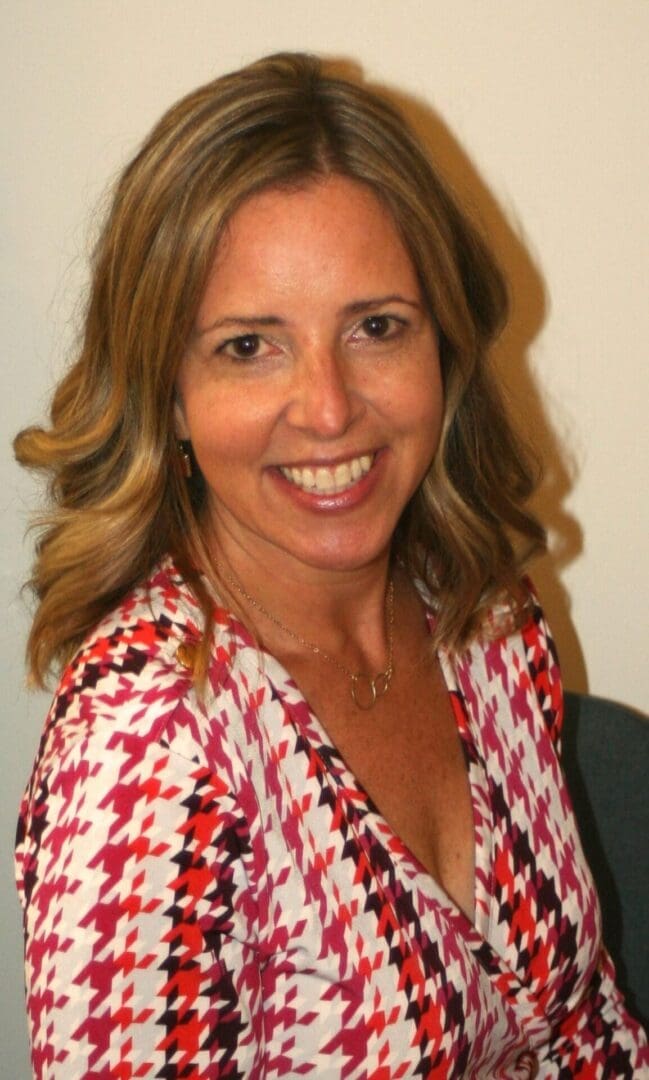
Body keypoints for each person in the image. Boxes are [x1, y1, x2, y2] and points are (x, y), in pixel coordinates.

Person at [13, 52, 646, 1079]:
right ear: (166, 392)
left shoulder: (481, 619)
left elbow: (579, 1025)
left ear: (442, 345)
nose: (328, 407)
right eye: (249, 346)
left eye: (375, 328)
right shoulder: (148, 744)